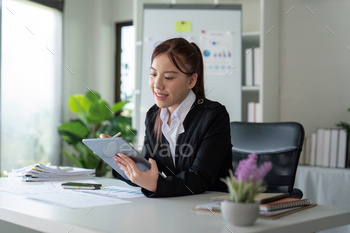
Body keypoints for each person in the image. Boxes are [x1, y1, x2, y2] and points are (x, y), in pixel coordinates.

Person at [101, 37, 232, 198]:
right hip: (170, 205)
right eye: (153, 74)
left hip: (208, 207)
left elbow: (200, 178)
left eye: (168, 77)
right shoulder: (153, 115)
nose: (157, 84)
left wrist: (155, 184)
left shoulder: (213, 115)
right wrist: (119, 158)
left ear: (191, 80)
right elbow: (148, 171)